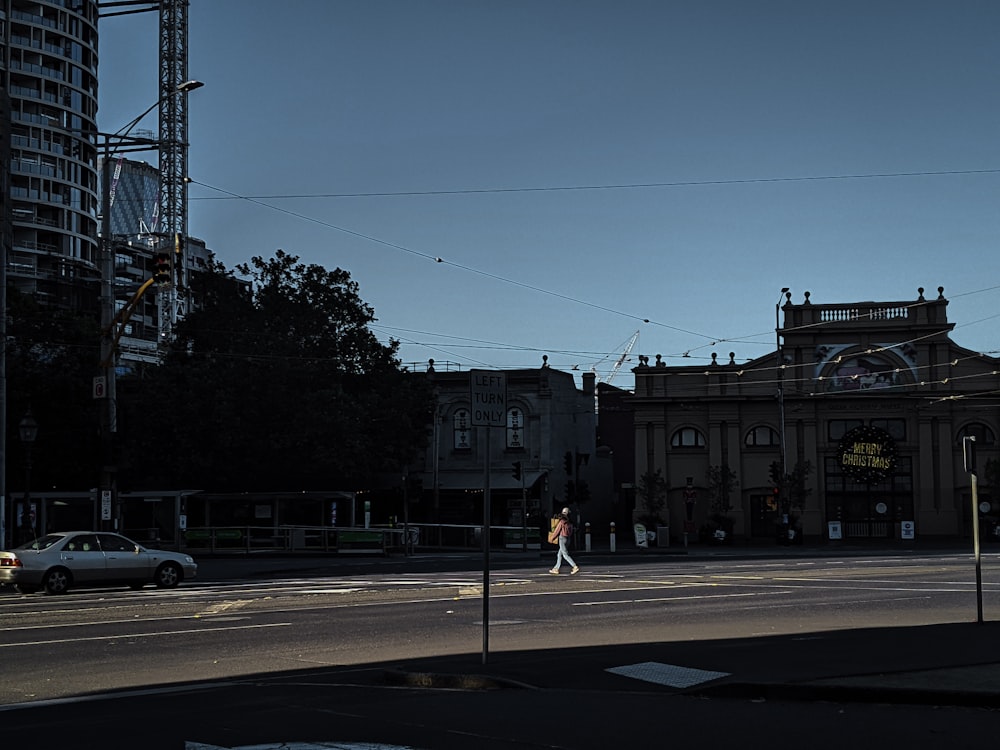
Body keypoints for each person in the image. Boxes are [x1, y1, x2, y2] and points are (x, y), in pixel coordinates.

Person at [549, 507, 579, 575]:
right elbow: (571, 531)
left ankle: (574, 566)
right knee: (559, 554)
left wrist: (552, 538)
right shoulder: (570, 522)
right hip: (568, 539)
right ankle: (556, 568)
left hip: (562, 538)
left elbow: (557, 531)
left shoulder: (562, 522)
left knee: (565, 555)